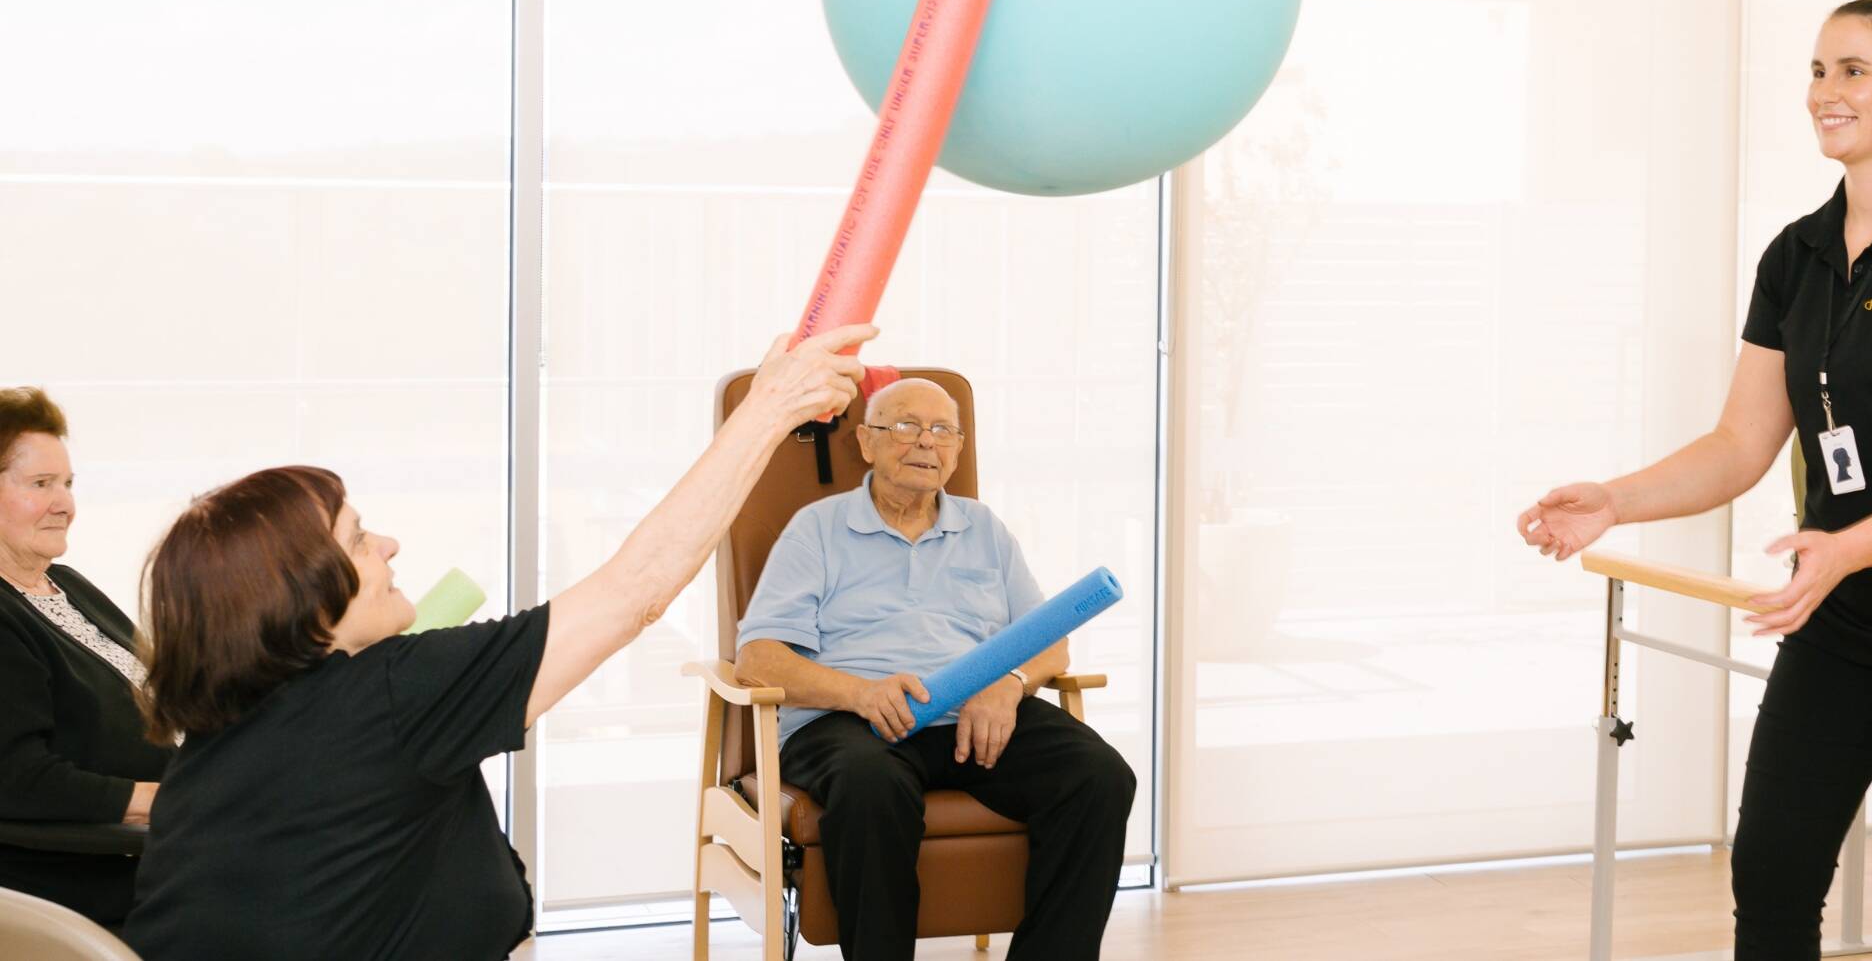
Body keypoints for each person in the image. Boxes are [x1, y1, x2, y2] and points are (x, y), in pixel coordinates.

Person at [1517, 0, 1872, 960]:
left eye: (1854, 70)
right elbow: (1740, 442)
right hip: (1845, 617)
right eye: (1817, 70)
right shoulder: (1798, 253)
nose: (1825, 93)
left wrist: (1842, 547)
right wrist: (1615, 500)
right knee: (1770, 870)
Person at [118, 324, 876, 960]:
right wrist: (769, 408)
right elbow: (633, 593)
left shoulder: (209, 752)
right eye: (357, 539)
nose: (389, 544)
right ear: (303, 608)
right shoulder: (388, 694)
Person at [735, 377, 1134, 961]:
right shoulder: (817, 530)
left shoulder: (985, 530)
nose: (926, 442)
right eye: (905, 426)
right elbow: (757, 657)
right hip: (849, 721)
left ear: (957, 449)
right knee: (872, 785)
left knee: (1099, 776)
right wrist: (860, 694)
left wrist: (1009, 685)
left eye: (942, 430)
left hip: (973, 715)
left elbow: (1051, 640)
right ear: (867, 442)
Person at [0, 387, 170, 929]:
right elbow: (19, 779)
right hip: (98, 880)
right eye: (41, 485)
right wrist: (172, 800)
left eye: (68, 484)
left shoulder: (66, 585)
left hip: (172, 844)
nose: (66, 504)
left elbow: (169, 688)